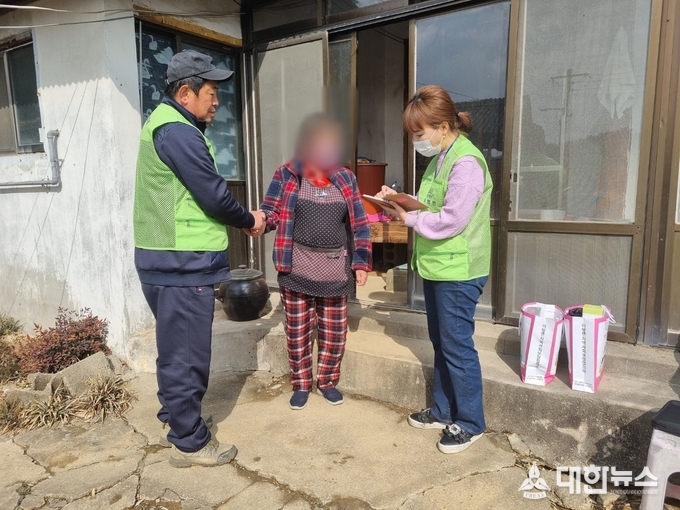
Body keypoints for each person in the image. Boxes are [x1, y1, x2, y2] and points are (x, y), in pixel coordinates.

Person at [133, 50, 264, 468]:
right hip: (182, 262)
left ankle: (175, 417)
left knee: (174, 349)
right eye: (211, 92)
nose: (217, 101)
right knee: (187, 356)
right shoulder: (179, 133)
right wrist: (250, 220)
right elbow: (214, 196)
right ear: (185, 93)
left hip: (164, 258)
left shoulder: (165, 125)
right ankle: (189, 439)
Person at [377, 85, 492, 454]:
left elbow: (452, 219)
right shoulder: (442, 157)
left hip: (459, 270)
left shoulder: (466, 163)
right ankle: (444, 411)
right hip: (440, 267)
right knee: (442, 343)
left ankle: (471, 423)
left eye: (419, 133)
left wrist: (409, 219)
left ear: (443, 127)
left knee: (457, 347)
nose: (416, 141)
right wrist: (399, 202)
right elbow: (432, 206)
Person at [248, 114, 371, 411]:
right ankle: (302, 383)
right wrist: (259, 220)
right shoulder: (287, 174)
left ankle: (327, 381)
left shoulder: (346, 177)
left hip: (335, 269)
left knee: (334, 333)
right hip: (296, 267)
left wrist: (361, 261)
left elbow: (360, 222)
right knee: (298, 331)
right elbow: (272, 212)